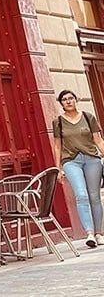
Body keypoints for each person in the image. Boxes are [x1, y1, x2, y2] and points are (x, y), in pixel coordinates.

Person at [52, 89, 104, 248]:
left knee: (94, 196)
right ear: (61, 103)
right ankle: (89, 233)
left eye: (70, 98)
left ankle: (99, 233)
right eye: (64, 99)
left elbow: (98, 140)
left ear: (76, 99)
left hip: (92, 159)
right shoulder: (58, 122)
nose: (68, 101)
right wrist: (58, 168)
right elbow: (57, 147)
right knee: (81, 195)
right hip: (71, 161)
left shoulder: (88, 117)